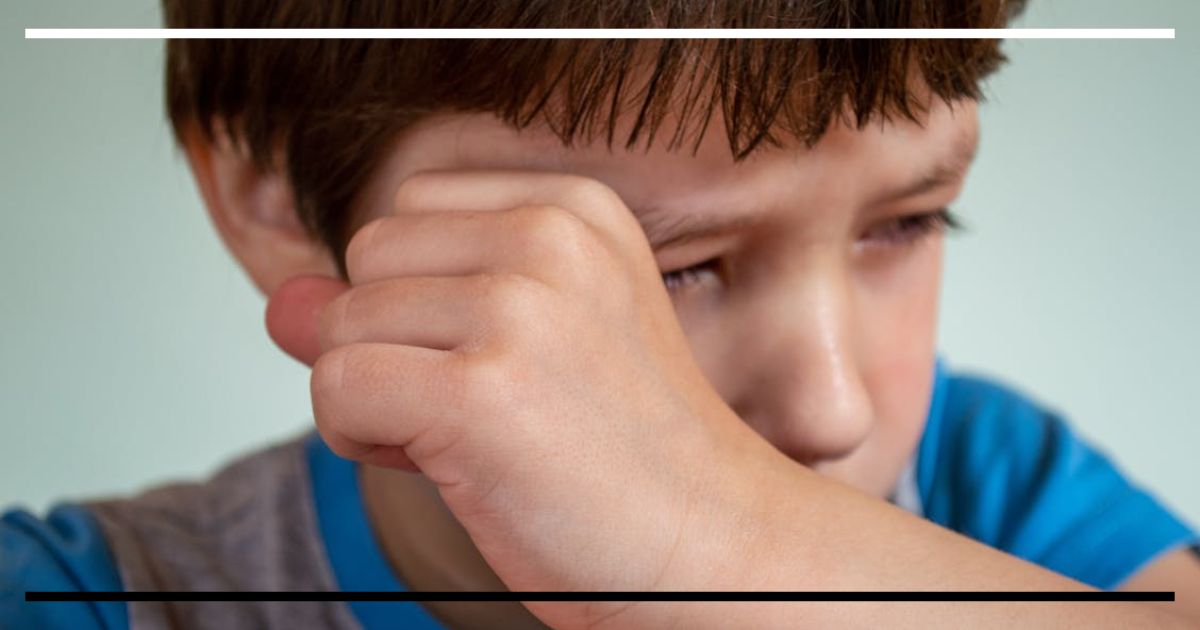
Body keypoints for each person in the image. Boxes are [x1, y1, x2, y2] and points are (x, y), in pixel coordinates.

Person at [3, 1, 1198, 628]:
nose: (833, 408)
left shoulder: (1002, 499)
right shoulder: (105, 595)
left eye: (906, 223)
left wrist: (730, 551)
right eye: (660, 267)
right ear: (269, 192)